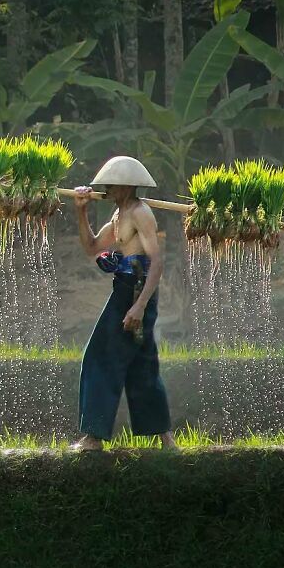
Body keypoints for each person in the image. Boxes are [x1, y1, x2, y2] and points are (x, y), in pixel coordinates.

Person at [71, 155, 177, 450]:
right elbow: (92, 247)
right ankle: (164, 437)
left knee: (99, 358)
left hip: (136, 290)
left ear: (126, 187)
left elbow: (156, 262)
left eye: (112, 185)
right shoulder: (119, 216)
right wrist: (81, 212)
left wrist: (140, 306)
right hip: (125, 289)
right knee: (141, 364)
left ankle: (93, 436)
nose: (107, 189)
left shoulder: (140, 213)